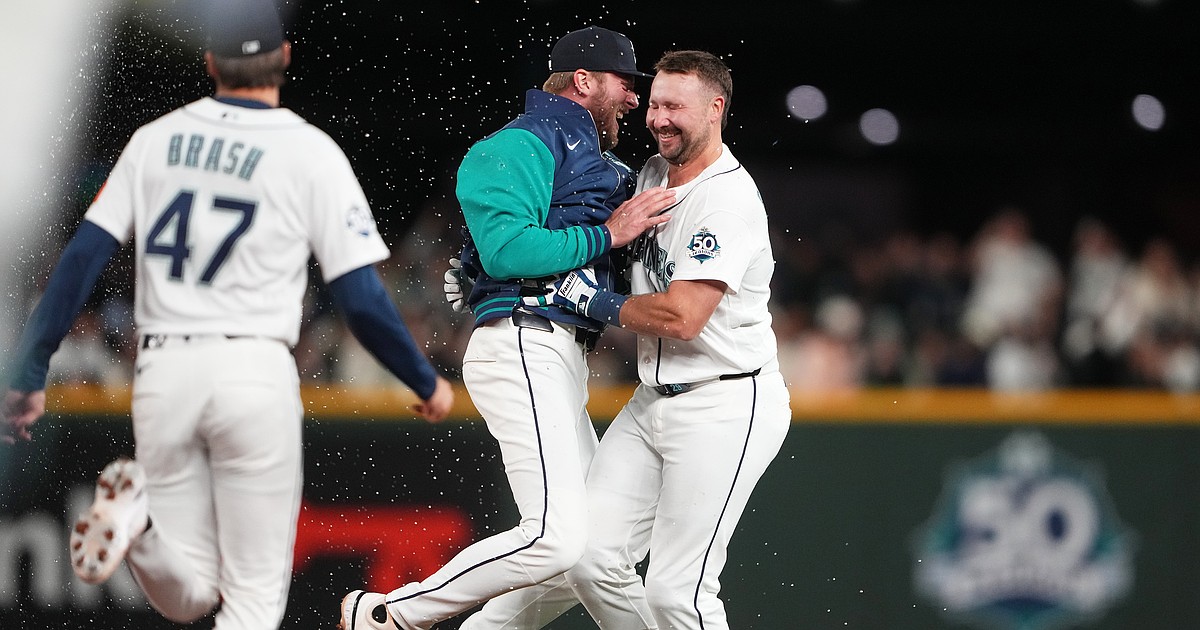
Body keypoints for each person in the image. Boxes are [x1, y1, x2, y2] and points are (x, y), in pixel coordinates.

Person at [2, 0, 454, 628]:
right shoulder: (309, 150)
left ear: (211, 62)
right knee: (251, 602)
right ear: (285, 59)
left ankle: (139, 524)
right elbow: (358, 294)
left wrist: (28, 372)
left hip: (163, 369)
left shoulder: (152, 141)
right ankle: (138, 523)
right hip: (252, 367)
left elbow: (79, 261)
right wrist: (422, 378)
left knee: (188, 594)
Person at [337, 25, 674, 630]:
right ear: (584, 80)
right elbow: (507, 252)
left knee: (595, 549)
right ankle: (389, 613)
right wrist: (608, 234)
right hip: (521, 342)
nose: (632, 98)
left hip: (558, 352)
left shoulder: (590, 158)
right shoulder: (515, 144)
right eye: (624, 83)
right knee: (554, 536)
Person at [494, 49, 793, 629]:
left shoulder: (726, 200)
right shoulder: (655, 173)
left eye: (675, 107)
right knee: (589, 557)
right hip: (654, 397)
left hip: (724, 402)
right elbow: (575, 223)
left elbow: (683, 317)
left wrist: (594, 302)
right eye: (654, 104)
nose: (658, 118)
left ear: (715, 109)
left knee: (678, 592)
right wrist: (486, 262)